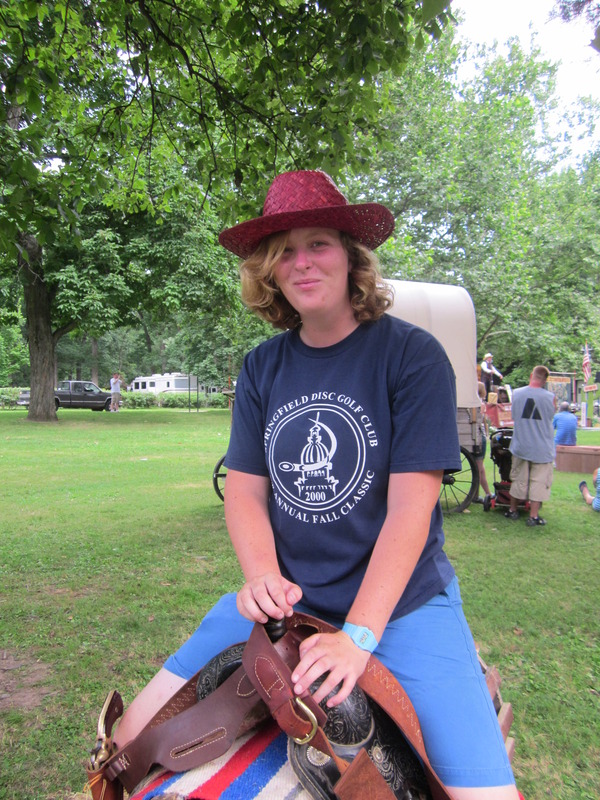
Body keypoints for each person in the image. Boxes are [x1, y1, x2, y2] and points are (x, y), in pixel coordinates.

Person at [113, 170, 518, 799]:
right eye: (284, 252)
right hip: (290, 604)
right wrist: (260, 578)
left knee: (485, 797)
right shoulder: (262, 366)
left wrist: (358, 637)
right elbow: (245, 490)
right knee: (128, 740)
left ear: (351, 257)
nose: (302, 262)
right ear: (269, 272)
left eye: (319, 244)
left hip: (402, 607)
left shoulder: (412, 356)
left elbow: (412, 510)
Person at [505, 365, 556, 526]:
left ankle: (512, 510)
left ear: (531, 375)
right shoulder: (551, 397)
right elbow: (550, 416)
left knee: (518, 478)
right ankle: (533, 516)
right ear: (545, 381)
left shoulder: (517, 394)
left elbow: (514, 416)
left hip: (521, 444)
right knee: (539, 481)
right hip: (542, 447)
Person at [475, 381, 493, 503]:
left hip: (477, 434)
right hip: (479, 436)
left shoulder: (473, 404)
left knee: (478, 467)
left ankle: (476, 495)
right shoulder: (480, 404)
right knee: (480, 467)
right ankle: (488, 493)